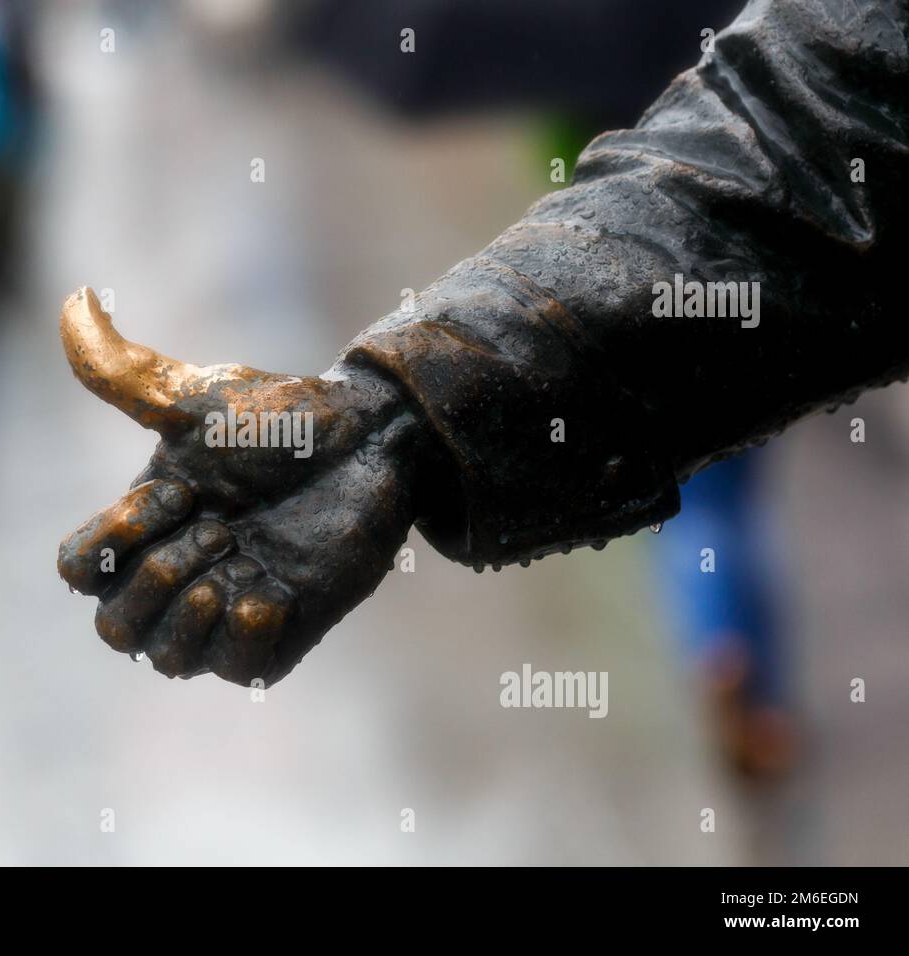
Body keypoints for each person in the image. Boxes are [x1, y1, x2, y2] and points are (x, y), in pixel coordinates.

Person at [57, 0, 909, 687]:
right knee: (728, 508)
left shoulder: (586, 60)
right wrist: (399, 414)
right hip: (684, 309)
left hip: (689, 300)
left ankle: (724, 654)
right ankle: (734, 652)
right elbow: (825, 128)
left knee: (711, 514)